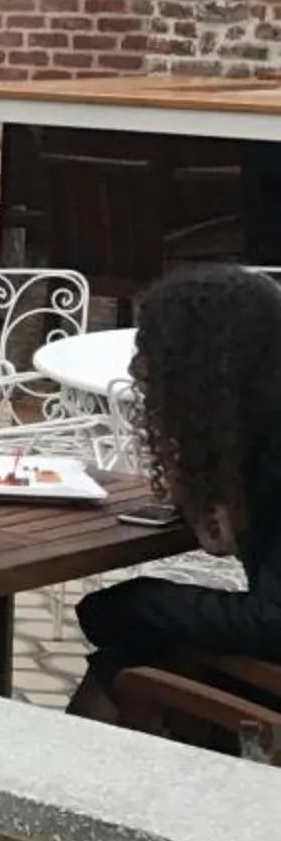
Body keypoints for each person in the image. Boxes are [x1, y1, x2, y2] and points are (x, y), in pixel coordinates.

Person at [69, 266, 281, 721]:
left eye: (151, 350)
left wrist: (136, 603)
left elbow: (273, 623)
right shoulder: (257, 436)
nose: (136, 368)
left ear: (206, 369)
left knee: (129, 661)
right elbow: (221, 538)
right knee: (136, 652)